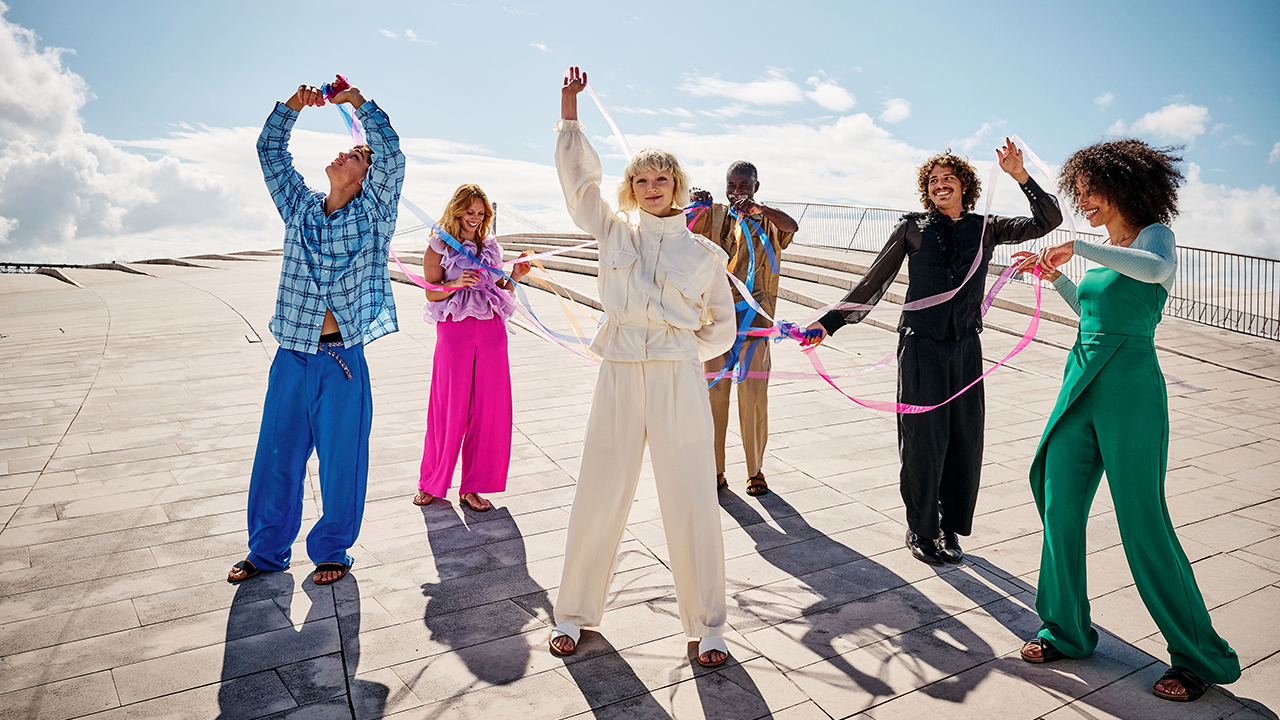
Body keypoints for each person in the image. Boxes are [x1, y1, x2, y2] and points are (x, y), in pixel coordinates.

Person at [1012, 139, 1240, 702]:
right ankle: (1066, 629)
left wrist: (1081, 249)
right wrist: (1056, 278)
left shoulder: (1152, 235)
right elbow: (1095, 312)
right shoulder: (1104, 249)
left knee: (1142, 520)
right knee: (1057, 503)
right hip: (1080, 378)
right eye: (1080, 193)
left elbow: (1155, 270)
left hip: (1131, 387)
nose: (1083, 201)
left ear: (1123, 188)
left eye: (1091, 192)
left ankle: (1197, 657)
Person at [549, 67, 736, 668]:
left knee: (690, 494)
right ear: (631, 185)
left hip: (679, 378)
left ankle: (708, 625)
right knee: (600, 485)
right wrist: (569, 113)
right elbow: (581, 186)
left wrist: (679, 351)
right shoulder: (612, 229)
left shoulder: (706, 253)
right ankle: (573, 613)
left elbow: (722, 329)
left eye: (662, 178)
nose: (652, 186)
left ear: (677, 185)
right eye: (641, 178)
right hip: (621, 370)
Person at [805, 143, 1062, 566]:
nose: (940, 185)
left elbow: (1046, 221)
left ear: (965, 186)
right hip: (920, 346)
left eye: (948, 179)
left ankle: (949, 528)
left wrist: (1020, 176)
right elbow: (873, 283)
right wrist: (827, 324)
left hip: (965, 347)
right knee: (924, 439)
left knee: (964, 437)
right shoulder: (912, 228)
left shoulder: (986, 228)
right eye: (933, 181)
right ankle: (921, 528)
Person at [227, 78, 404, 587]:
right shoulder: (300, 209)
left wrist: (357, 103)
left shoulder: (373, 215)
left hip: (342, 360)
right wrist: (292, 107)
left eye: (354, 154)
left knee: (341, 461)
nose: (342, 153)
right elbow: (270, 152)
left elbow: (391, 156)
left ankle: (332, 549)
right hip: (291, 356)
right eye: (345, 149)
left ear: (367, 176)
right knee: (276, 456)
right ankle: (266, 550)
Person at [413, 184, 531, 512]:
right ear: (457, 211)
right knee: (448, 407)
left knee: (490, 410)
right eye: (469, 212)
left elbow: (500, 290)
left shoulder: (492, 248)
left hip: (492, 330)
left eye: (480, 214)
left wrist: (516, 276)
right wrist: (454, 284)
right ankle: (431, 481)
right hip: (455, 331)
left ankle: (474, 486)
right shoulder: (439, 246)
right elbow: (430, 292)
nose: (475, 219)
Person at [689, 163, 798, 496]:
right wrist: (695, 205)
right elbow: (682, 233)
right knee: (713, 396)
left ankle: (755, 470)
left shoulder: (766, 217)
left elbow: (792, 226)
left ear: (756, 186)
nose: (737, 189)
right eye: (731, 184)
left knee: (753, 397)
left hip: (756, 324)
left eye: (744, 184)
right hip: (715, 321)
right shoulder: (715, 214)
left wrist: (759, 208)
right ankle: (715, 470)